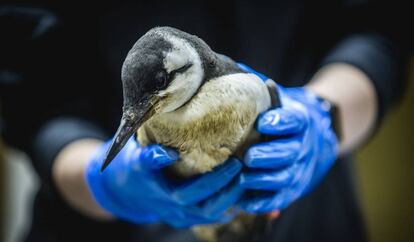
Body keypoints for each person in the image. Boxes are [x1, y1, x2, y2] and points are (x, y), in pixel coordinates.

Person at [0, 1, 410, 242]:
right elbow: (33, 98)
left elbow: (381, 28)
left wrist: (325, 117)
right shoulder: (148, 120)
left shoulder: (244, 88)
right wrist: (101, 182)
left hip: (306, 220)